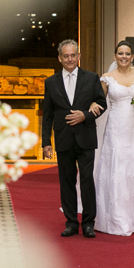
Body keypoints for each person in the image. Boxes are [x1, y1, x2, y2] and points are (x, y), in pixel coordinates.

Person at [89, 40, 134, 236]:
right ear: (115, 56)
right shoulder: (107, 78)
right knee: (119, 169)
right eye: (120, 53)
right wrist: (91, 106)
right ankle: (119, 219)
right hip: (117, 128)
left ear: (132, 57)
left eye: (127, 54)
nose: (124, 57)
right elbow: (99, 101)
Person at [41, 39, 107, 238]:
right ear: (60, 58)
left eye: (73, 55)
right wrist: (46, 142)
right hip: (63, 139)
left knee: (87, 180)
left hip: (85, 137)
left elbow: (101, 104)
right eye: (66, 56)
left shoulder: (91, 78)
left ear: (79, 56)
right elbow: (48, 115)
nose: (70, 59)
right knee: (66, 182)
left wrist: (85, 115)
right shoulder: (51, 82)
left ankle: (88, 223)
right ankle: (71, 222)